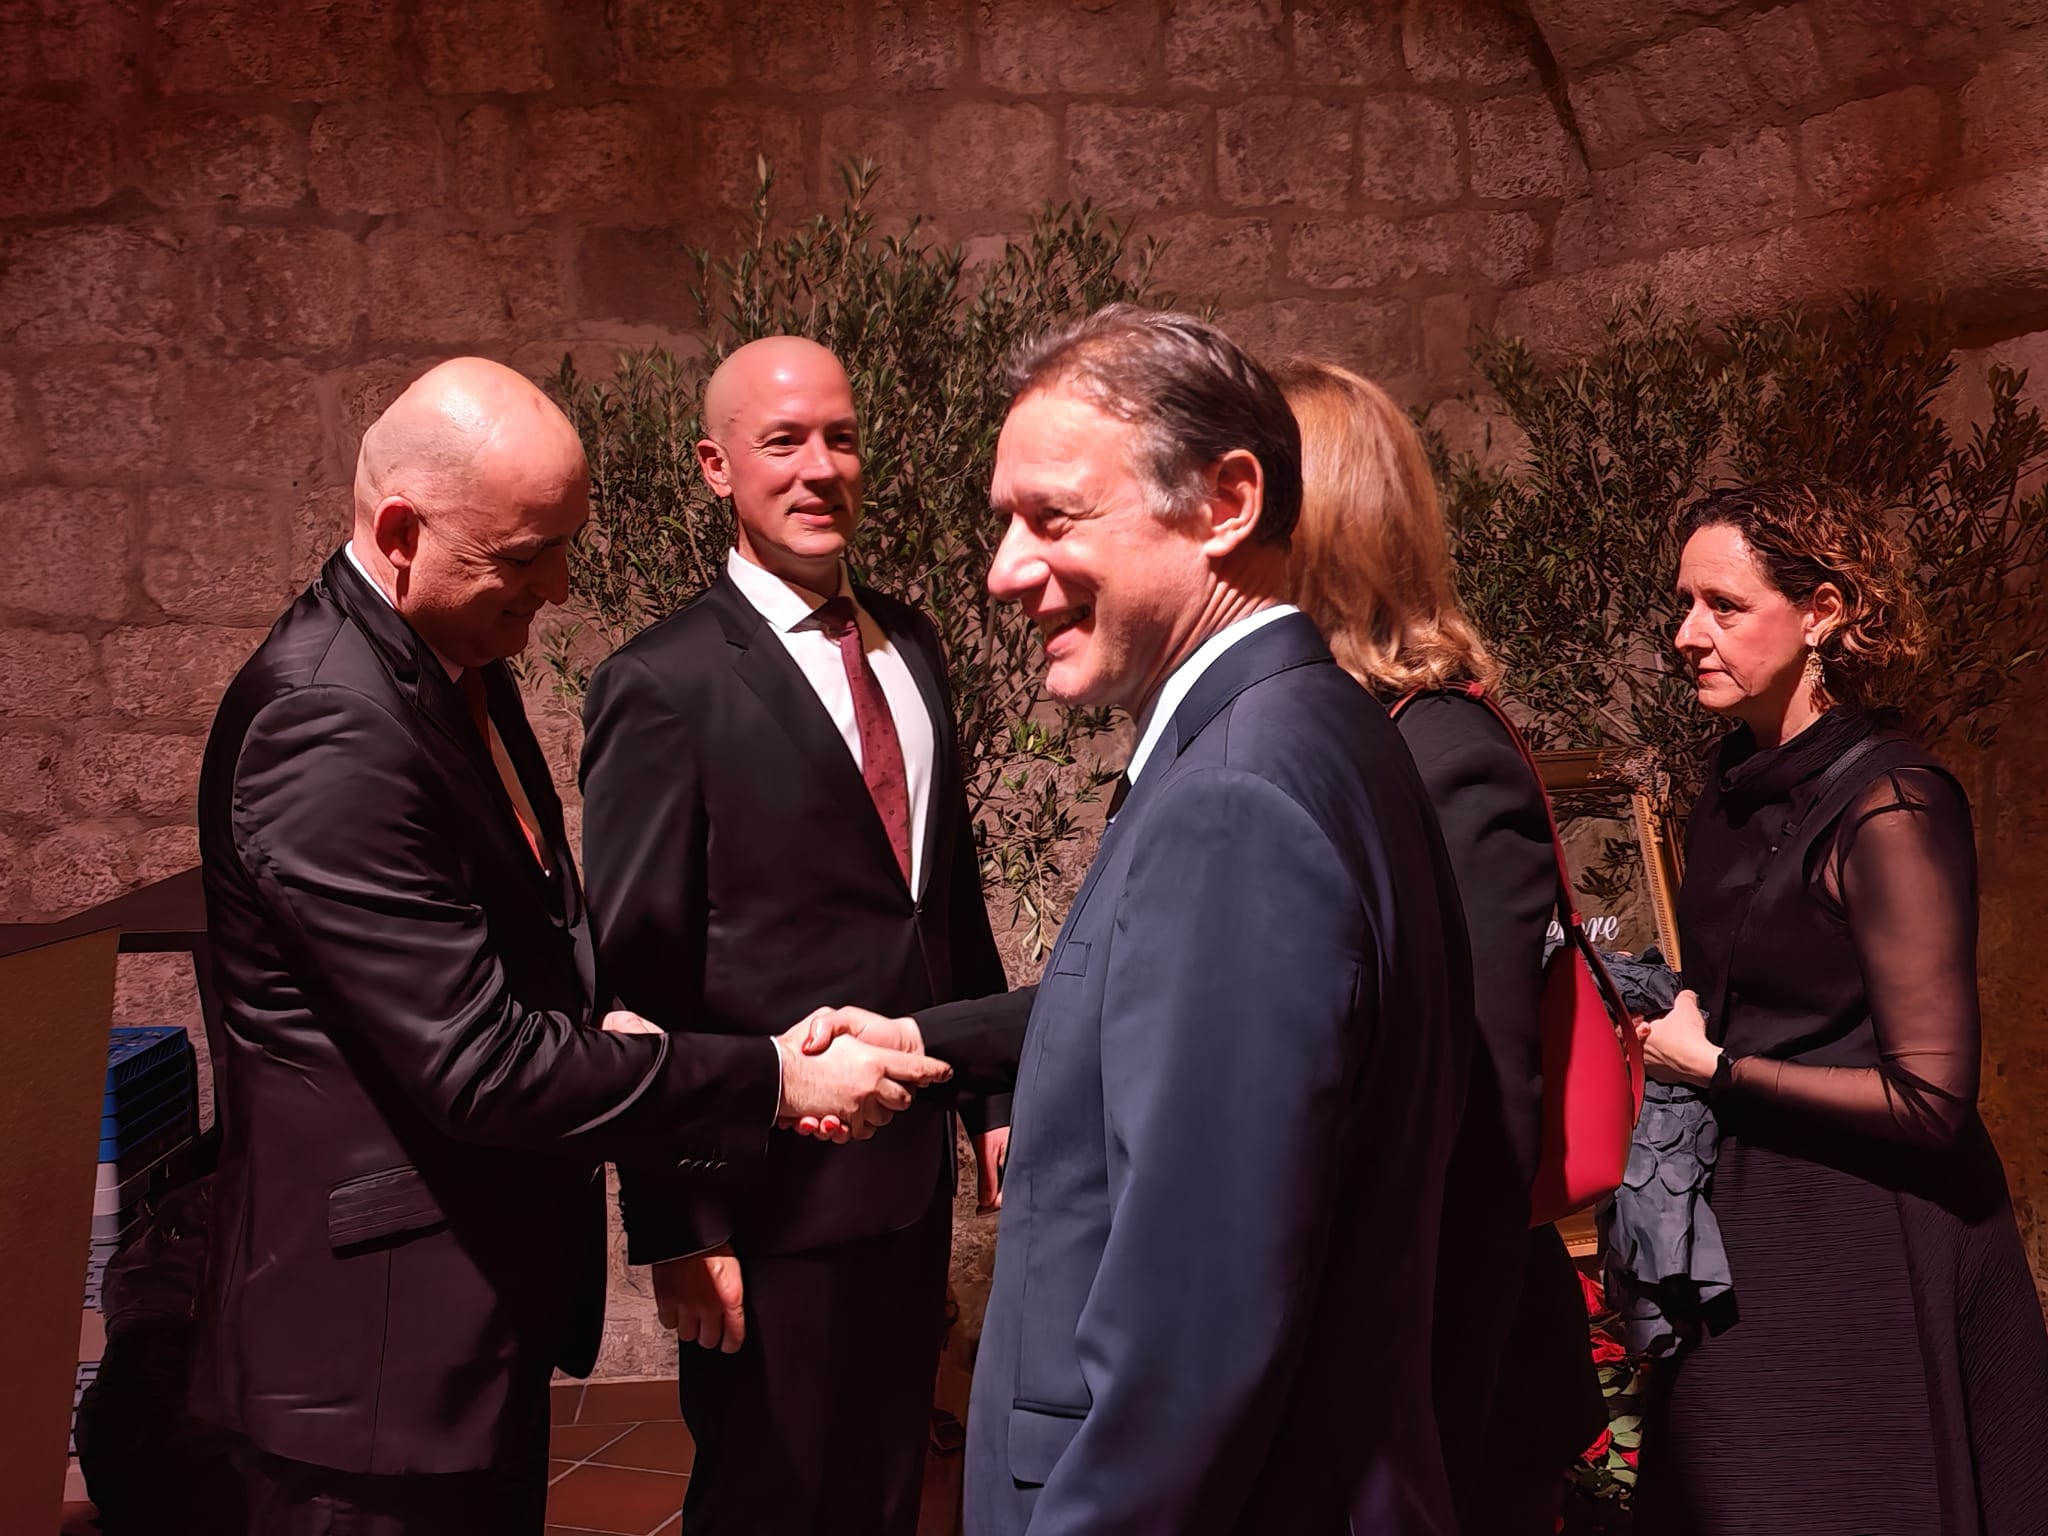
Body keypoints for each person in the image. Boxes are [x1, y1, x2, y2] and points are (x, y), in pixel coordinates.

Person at [191, 357, 947, 1536]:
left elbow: (524, 947)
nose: (554, 587)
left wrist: (606, 1023)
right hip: (369, 1361)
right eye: (524, 555)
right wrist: (770, 1077)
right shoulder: (326, 722)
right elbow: (478, 1064)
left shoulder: (452, 664)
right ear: (399, 534)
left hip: (462, 1321)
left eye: (564, 547)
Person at [812, 306, 1473, 1534]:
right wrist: (926, 1037)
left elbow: (1196, 1323)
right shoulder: (1304, 728)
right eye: (1005, 521)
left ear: (1225, 502)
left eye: (1052, 518)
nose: (1004, 569)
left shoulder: (1235, 798)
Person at [577, 336, 1010, 1536]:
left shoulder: (912, 645)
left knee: (884, 1494)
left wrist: (992, 1093)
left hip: (908, 1181)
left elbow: (944, 903)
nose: (819, 467)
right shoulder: (660, 683)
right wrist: (674, 1227)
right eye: (783, 442)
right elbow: (634, 980)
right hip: (763, 1204)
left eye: (840, 437)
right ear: (716, 467)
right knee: (768, 1506)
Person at [1631, 482, 2048, 1534]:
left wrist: (1713, 1068)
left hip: (1869, 1245)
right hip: (1749, 1222)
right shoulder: (1734, 781)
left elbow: (1930, 1100)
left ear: (1820, 613)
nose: (1687, 635)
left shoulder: (1892, 804)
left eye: (1723, 605)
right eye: (1683, 604)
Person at [1273, 357, 1605, 1535]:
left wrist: (1418, 1455)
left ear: (1306, 526)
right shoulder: (1317, 738)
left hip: (1447, 1392)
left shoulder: (1442, 752)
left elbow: (1479, 1128)